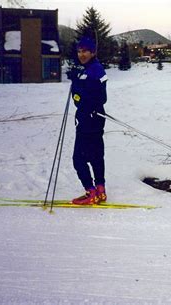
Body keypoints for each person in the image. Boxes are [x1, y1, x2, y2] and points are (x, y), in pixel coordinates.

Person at [67, 36, 108, 205]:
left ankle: (90, 192)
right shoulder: (91, 68)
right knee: (96, 155)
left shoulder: (93, 70)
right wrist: (78, 80)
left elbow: (95, 97)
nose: (81, 54)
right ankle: (100, 190)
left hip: (89, 118)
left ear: (93, 52)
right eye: (79, 51)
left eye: (85, 51)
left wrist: (76, 83)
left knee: (79, 158)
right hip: (96, 118)